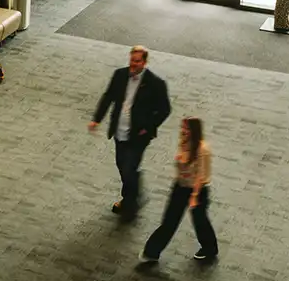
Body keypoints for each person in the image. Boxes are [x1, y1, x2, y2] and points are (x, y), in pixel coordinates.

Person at [88, 45, 171, 221]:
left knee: (128, 167)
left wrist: (148, 127)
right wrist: (97, 118)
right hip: (119, 132)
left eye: (137, 61)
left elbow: (165, 109)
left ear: (145, 62)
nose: (133, 64)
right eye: (132, 60)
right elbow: (108, 96)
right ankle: (133, 197)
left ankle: (130, 204)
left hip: (138, 136)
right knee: (122, 166)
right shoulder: (120, 75)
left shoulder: (156, 84)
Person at [140, 117, 219, 264]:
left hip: (198, 190)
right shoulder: (184, 142)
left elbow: (201, 176)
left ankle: (209, 248)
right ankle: (152, 252)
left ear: (194, 131)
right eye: (183, 128)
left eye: (187, 129)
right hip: (181, 186)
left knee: (200, 221)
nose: (183, 131)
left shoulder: (202, 149)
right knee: (169, 220)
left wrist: (194, 196)